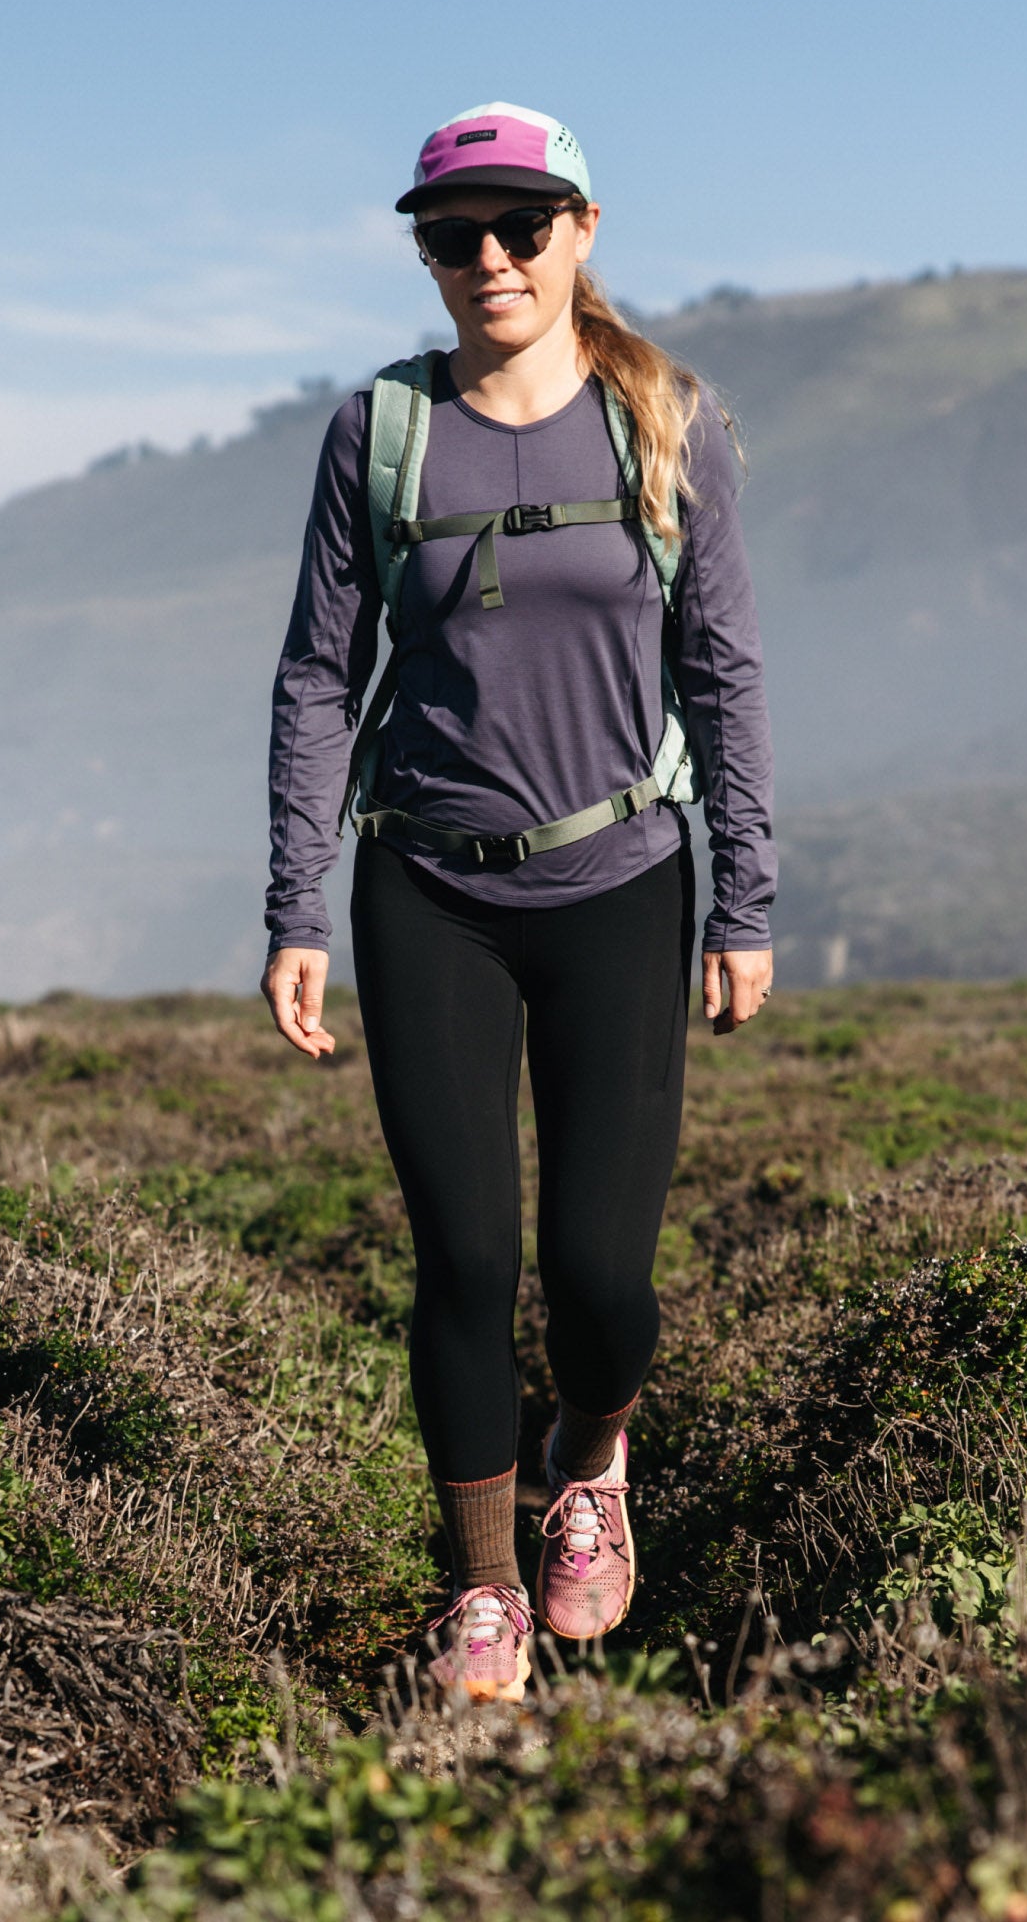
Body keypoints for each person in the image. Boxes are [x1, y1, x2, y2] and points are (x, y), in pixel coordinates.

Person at [262, 102, 775, 1703]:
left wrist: (742, 897)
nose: (485, 258)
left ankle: (593, 1454)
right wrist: (297, 903)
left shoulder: (667, 424)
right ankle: (485, 1589)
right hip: (429, 888)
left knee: (604, 1279)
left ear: (582, 229)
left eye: (516, 226)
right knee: (468, 1259)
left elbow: (726, 668)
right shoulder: (380, 435)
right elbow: (314, 679)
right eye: (448, 235)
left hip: (624, 879)